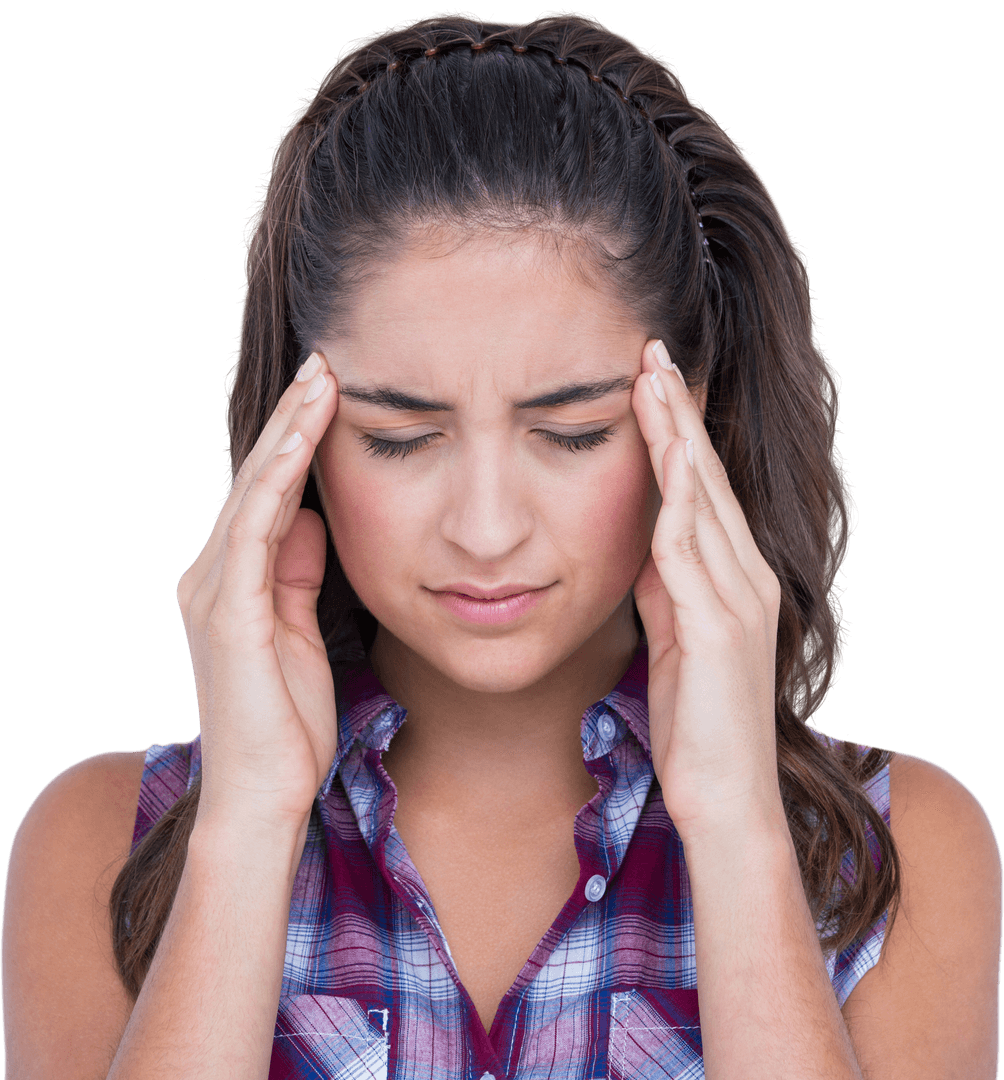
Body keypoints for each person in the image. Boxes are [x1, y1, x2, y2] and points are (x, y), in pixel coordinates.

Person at [2, 9, 1001, 1078]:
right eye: (398, 437)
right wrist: (247, 824)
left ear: (689, 419)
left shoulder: (897, 852)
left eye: (572, 432)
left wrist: (736, 823)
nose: (485, 530)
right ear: (298, 439)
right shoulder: (100, 841)